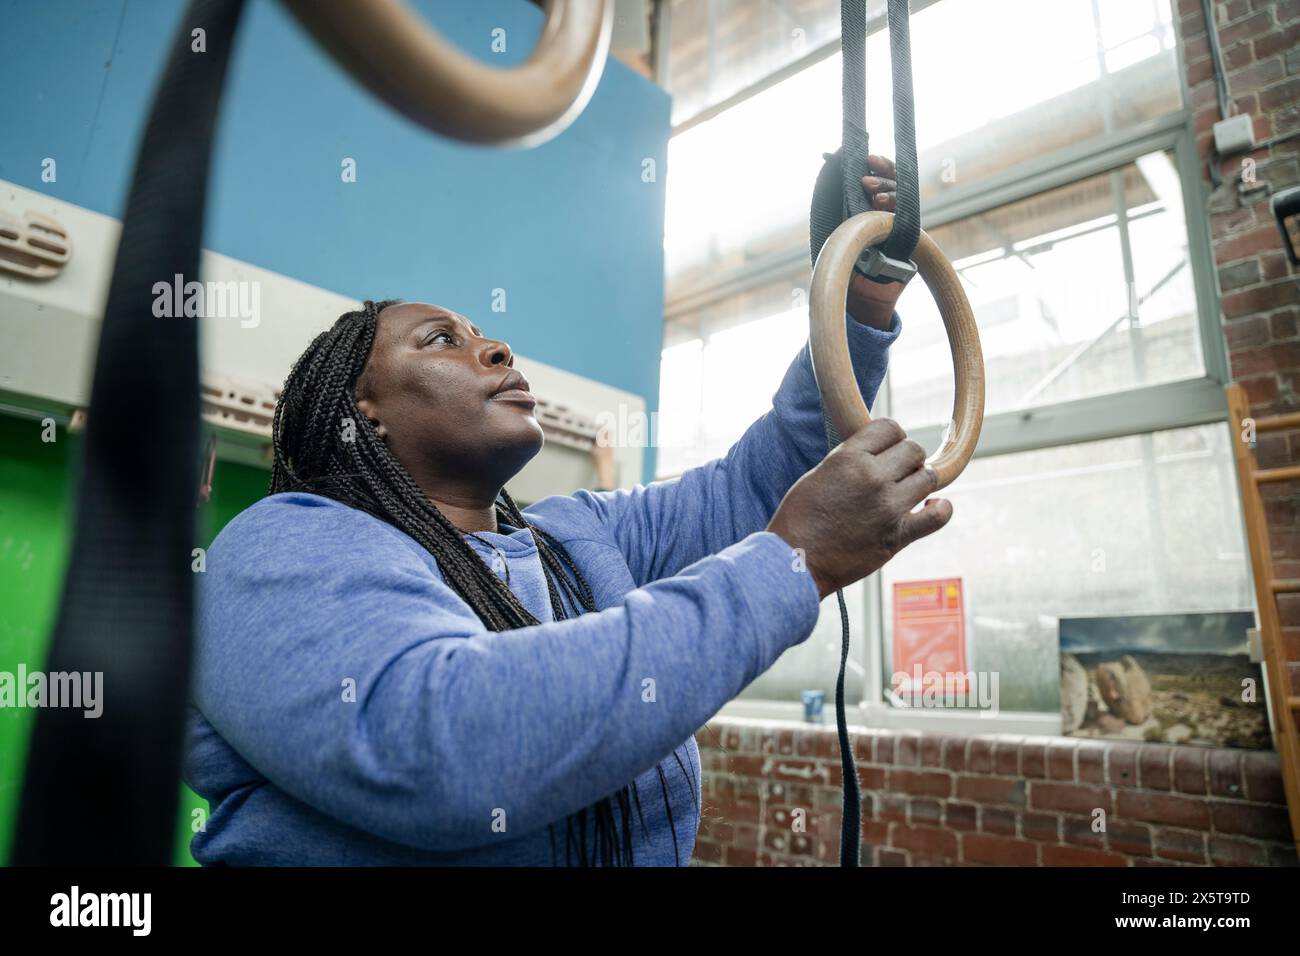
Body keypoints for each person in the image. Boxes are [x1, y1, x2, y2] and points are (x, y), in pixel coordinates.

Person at [182, 155, 952, 866]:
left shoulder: (575, 542)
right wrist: (793, 563)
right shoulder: (281, 546)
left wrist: (858, 296)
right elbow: (446, 746)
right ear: (366, 413)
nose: (497, 349)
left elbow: (761, 485)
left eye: (485, 335)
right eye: (442, 339)